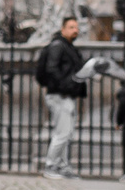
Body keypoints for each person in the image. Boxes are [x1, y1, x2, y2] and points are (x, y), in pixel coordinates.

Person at [35, 16, 86, 179]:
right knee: (62, 133)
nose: (75, 30)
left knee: (66, 132)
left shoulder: (67, 46)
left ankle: (62, 166)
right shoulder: (58, 46)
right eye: (71, 27)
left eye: (76, 27)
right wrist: (65, 85)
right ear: (63, 29)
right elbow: (51, 69)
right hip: (59, 95)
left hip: (66, 95)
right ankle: (50, 166)